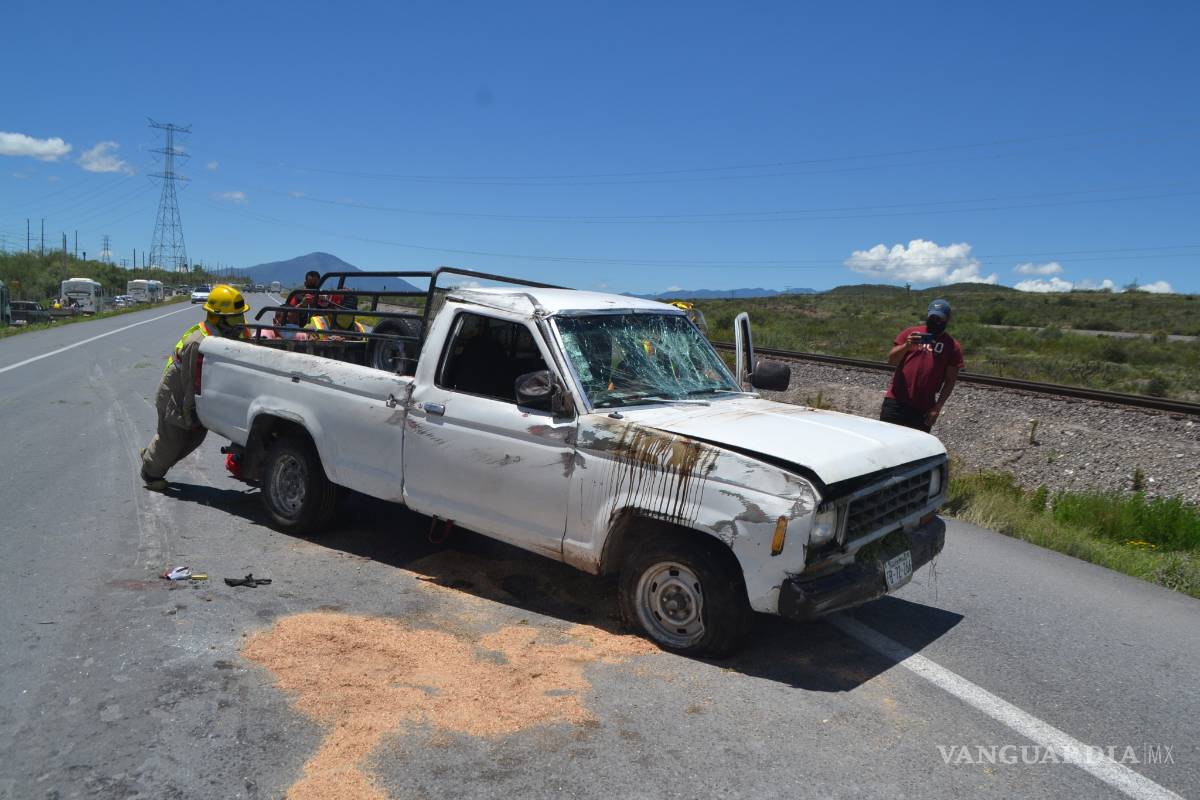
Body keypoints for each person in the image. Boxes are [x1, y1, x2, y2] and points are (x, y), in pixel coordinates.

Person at [139, 285, 249, 489]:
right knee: (173, 439)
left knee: (195, 436)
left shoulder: (221, 334)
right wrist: (190, 411)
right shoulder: (199, 341)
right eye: (235, 318)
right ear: (218, 317)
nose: (240, 322)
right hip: (176, 394)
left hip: (188, 392)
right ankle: (150, 473)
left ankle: (152, 456)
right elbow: (190, 381)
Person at [880, 298, 963, 432]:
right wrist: (906, 346)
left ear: (947, 319)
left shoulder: (952, 346)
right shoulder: (911, 333)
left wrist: (937, 407)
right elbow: (891, 360)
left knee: (916, 444)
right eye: (932, 317)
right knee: (886, 439)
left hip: (924, 407)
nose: (935, 321)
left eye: (939, 319)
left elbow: (950, 381)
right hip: (896, 400)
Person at [301, 293, 367, 340]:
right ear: (331, 309)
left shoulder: (359, 329)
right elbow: (306, 330)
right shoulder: (318, 323)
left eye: (350, 312)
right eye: (342, 311)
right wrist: (309, 334)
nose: (347, 315)